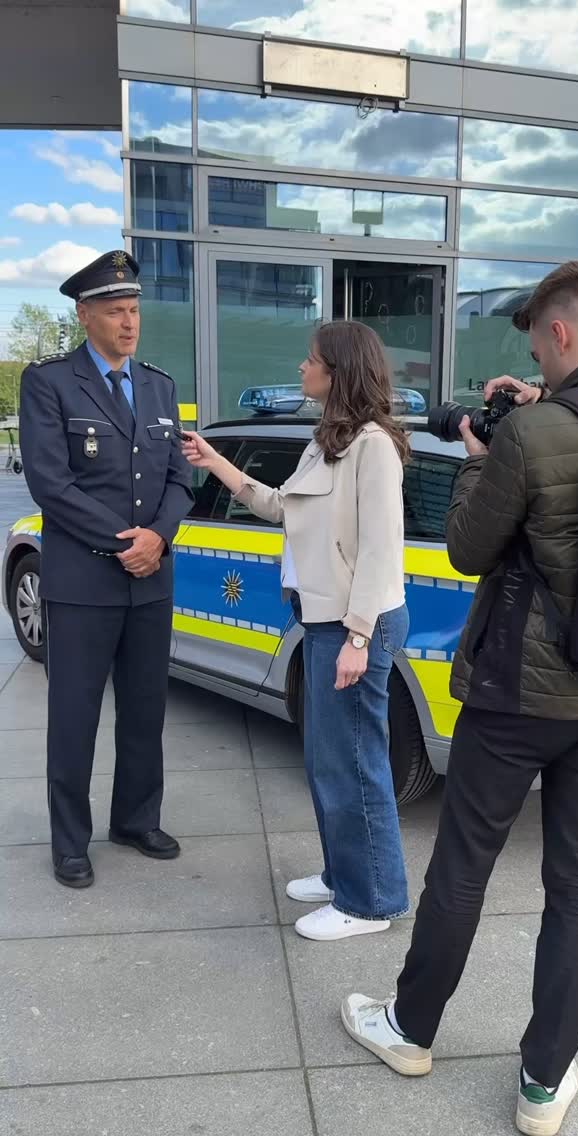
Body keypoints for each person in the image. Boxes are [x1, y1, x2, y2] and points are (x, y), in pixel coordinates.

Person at [339, 261, 578, 1134]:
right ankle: (545, 1085)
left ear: (558, 334)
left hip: (516, 700)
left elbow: (470, 551)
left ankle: (410, 1030)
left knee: (464, 867)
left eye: (539, 350)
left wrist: (487, 454)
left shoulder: (534, 431)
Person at [182, 320, 410, 941]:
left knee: (355, 765)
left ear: (337, 373)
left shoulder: (372, 446)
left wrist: (359, 638)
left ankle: (371, 902)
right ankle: (345, 876)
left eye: (311, 360)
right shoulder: (328, 441)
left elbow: (382, 551)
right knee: (327, 761)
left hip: (353, 624)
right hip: (323, 621)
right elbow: (282, 506)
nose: (302, 368)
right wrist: (214, 462)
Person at [19, 250, 193, 889]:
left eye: (135, 310)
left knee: (146, 711)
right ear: (85, 314)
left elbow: (179, 480)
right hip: (85, 583)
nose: (129, 323)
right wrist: (128, 540)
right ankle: (70, 841)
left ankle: (135, 819)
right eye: (116, 311)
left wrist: (158, 537)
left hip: (149, 582)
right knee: (75, 716)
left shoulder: (159, 385)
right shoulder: (50, 383)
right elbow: (50, 484)